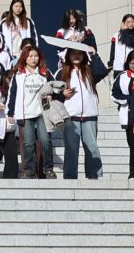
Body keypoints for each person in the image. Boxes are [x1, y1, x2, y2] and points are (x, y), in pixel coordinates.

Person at [7, 41, 56, 180]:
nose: (33, 59)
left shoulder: (45, 73)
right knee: (28, 143)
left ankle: (48, 169)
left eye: (36, 56)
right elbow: (12, 94)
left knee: (45, 140)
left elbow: (55, 87)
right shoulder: (18, 75)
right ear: (24, 58)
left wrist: (52, 95)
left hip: (42, 112)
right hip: (26, 113)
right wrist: (10, 112)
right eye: (30, 56)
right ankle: (29, 171)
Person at [60, 48, 103, 180]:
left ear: (84, 55)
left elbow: (102, 72)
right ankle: (70, 177)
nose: (77, 56)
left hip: (90, 115)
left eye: (79, 53)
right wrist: (62, 94)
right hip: (71, 117)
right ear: (68, 56)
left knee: (92, 147)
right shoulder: (62, 72)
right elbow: (52, 93)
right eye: (73, 53)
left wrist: (94, 56)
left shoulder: (89, 70)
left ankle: (94, 176)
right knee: (71, 149)